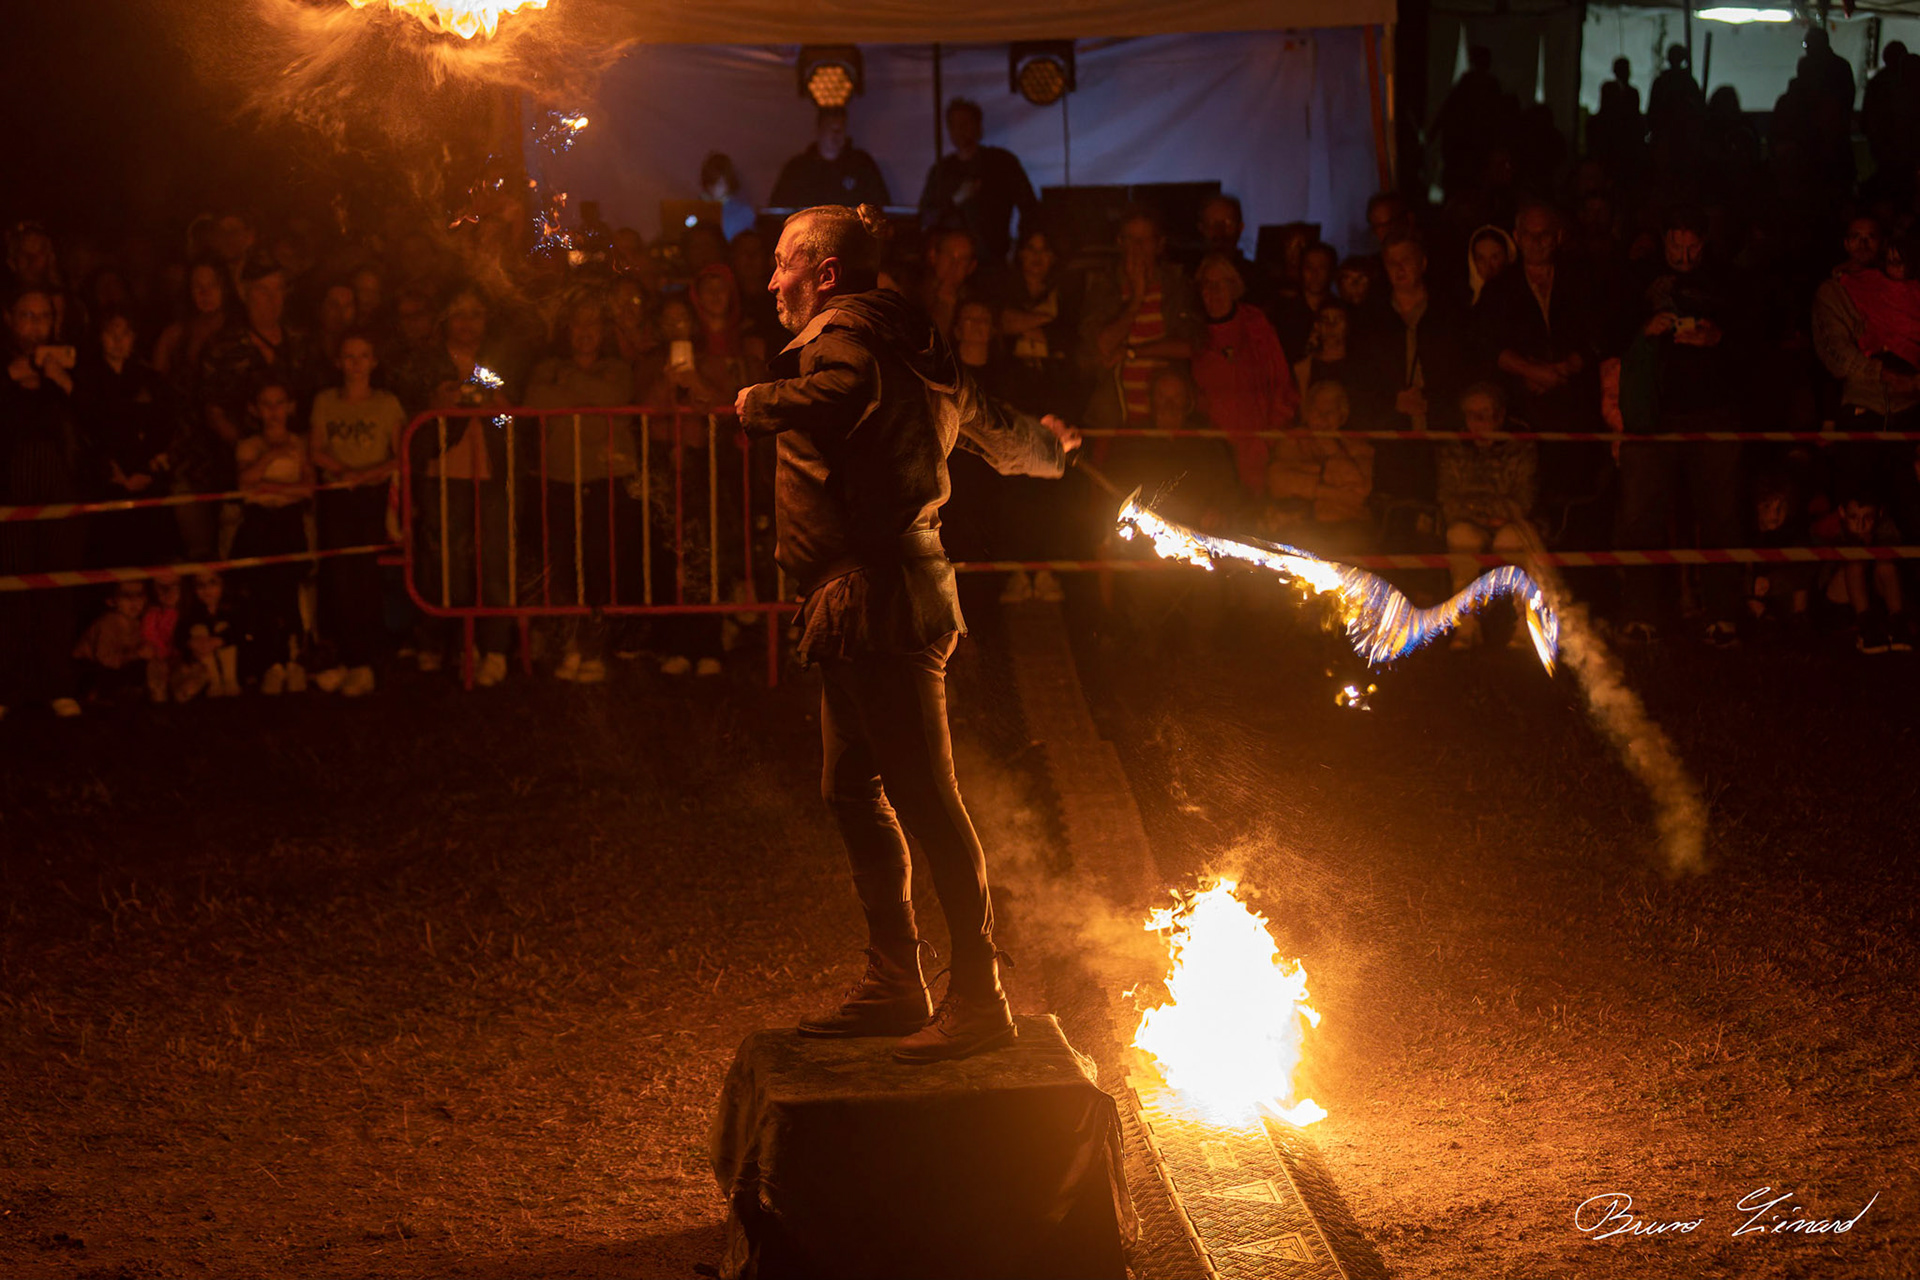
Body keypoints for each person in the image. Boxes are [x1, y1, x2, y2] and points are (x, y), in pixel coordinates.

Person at [734, 202, 1080, 1063]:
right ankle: (897, 982)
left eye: (783, 264)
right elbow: (999, 434)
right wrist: (1051, 448)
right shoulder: (919, 343)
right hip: (875, 603)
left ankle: (981, 996)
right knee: (853, 789)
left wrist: (759, 401)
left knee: (923, 797)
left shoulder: (839, 335)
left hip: (879, 601)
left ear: (825, 272)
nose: (770, 281)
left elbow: (845, 390)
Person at [1616, 208, 1748, 646]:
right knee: (1641, 520)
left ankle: (1724, 615)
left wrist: (1719, 339)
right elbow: (1609, 333)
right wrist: (1645, 330)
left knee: (1720, 518)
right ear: (1664, 238)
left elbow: (1757, 345)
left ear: (1705, 243)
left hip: (1714, 416)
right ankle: (1640, 617)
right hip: (1652, 419)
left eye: (1693, 246)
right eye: (1678, 245)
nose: (1686, 254)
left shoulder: (1728, 281)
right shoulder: (1638, 278)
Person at [399, 284, 518, 681]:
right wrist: (436, 406)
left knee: (494, 562)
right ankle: (448, 643)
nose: (468, 323)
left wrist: (498, 408)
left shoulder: (495, 364)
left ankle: (494, 649)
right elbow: (411, 418)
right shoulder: (426, 364)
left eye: (477, 314)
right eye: (461, 313)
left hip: (490, 475)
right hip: (442, 473)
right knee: (445, 565)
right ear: (446, 320)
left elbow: (510, 420)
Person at [525, 293, 640, 683]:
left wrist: (571, 386)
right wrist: (587, 394)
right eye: (578, 323)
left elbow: (614, 397)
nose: (585, 332)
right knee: (562, 568)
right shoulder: (545, 369)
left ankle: (593, 648)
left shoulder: (618, 369)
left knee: (600, 566)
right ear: (567, 330)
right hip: (559, 477)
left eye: (593, 324)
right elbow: (536, 400)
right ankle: (569, 646)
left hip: (605, 478)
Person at [0, 288, 86, 720]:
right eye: (26, 315)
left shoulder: (70, 367)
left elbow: (96, 418)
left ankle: (58, 684)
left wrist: (60, 379)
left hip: (59, 489)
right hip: (9, 491)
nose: (34, 325)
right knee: (11, 589)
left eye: (43, 317)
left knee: (57, 587)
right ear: (10, 319)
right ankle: (7, 688)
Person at [309, 331, 403, 696]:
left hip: (371, 494)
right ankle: (340, 654)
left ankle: (363, 658)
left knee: (363, 573)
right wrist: (342, 471)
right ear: (338, 362)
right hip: (337, 494)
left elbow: (399, 452)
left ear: (374, 362)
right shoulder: (324, 401)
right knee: (337, 572)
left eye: (363, 355)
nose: (356, 363)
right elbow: (315, 448)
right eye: (349, 356)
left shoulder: (387, 403)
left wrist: (365, 475)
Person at [1815, 217, 1920, 504]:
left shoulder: (1907, 288)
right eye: (1856, 237)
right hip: (1862, 408)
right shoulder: (1834, 290)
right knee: (1858, 499)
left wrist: (1913, 383)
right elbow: (1837, 354)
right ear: (1846, 243)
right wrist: (1884, 374)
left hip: (1910, 409)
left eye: (1870, 237)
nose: (1863, 245)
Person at [75, 308, 181, 569]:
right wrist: (113, 471)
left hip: (149, 481)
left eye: (125, 333)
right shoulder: (86, 380)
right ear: (100, 337)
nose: (118, 339)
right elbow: (86, 429)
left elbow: (165, 427)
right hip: (107, 485)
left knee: (154, 557)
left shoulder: (151, 380)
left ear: (134, 338)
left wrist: (149, 469)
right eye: (111, 332)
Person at [1436, 382, 1539, 648]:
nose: (1481, 421)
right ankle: (1467, 628)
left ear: (1500, 414)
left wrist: (1499, 514)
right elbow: (1449, 499)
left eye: (1487, 412)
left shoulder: (1519, 447)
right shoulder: (1454, 448)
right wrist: (1481, 515)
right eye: (1473, 414)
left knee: (1512, 539)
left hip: (1510, 523)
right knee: (1460, 536)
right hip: (1470, 522)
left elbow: (1524, 499)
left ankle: (1526, 629)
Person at [1191, 252, 1297, 502]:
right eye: (1208, 284)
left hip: (1258, 443)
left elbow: (1280, 381)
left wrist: (1272, 436)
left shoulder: (1255, 324)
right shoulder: (1193, 331)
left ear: (1235, 287)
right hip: (1213, 448)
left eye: (1222, 283)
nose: (1214, 291)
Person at [1080, 208, 1199, 430]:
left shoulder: (1176, 286)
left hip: (1170, 419)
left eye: (1144, 240)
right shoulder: (1104, 287)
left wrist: (1132, 352)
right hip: (1115, 421)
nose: (1137, 247)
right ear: (1119, 242)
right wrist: (1137, 299)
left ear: (1159, 244)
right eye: (1130, 239)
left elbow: (1190, 346)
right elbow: (1103, 345)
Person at [232, 378, 314, 693]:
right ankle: (270, 663)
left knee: (290, 592)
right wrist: (271, 457)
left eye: (279, 402)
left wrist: (267, 486)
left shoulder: (301, 443)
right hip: (258, 524)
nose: (274, 411)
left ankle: (293, 660)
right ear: (255, 409)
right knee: (262, 592)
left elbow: (307, 488)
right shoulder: (249, 445)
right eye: (266, 404)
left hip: (289, 523)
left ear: (290, 407)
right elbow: (244, 485)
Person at [918, 98, 1038, 267]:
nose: (960, 130)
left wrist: (1020, 247)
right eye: (954, 125)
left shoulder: (1001, 163)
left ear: (978, 127)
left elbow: (1029, 208)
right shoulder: (941, 171)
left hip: (993, 261)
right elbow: (926, 216)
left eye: (965, 124)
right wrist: (956, 200)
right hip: (953, 265)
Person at [1264, 380, 1374, 553]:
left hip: (1347, 523)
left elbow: (1360, 492)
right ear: (1308, 412)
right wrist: (1331, 490)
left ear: (1342, 416)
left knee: (1351, 542)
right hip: (1299, 522)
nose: (1322, 418)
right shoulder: (1293, 441)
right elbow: (1278, 481)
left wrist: (1331, 448)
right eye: (1317, 411)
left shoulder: (1359, 447)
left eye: (1329, 412)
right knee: (1300, 542)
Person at [769, 107, 890, 211]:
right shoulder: (797, 169)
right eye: (830, 128)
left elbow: (879, 207)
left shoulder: (862, 165)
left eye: (840, 129)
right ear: (819, 130)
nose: (835, 134)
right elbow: (778, 211)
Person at [73, 580, 152, 703]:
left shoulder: (136, 623)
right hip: (87, 668)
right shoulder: (108, 623)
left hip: (114, 666)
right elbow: (105, 658)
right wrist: (137, 654)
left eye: (139, 595)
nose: (134, 601)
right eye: (126, 595)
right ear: (111, 601)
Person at [1271, 241, 1338, 363]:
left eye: (1321, 267)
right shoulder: (1282, 311)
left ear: (1331, 271)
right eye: (1309, 267)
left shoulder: (1340, 311)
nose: (1314, 274)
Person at [918, 228, 977, 339]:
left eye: (963, 259)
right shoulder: (911, 295)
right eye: (948, 256)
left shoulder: (975, 302)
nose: (954, 265)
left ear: (971, 266)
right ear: (933, 256)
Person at [700, 152, 758, 243]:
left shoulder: (744, 212)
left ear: (728, 182)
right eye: (711, 183)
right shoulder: (699, 209)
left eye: (719, 183)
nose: (714, 189)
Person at [1466, 225, 1514, 305]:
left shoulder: (1518, 297)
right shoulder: (1463, 302)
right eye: (1481, 259)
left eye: (1495, 258)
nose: (1488, 266)